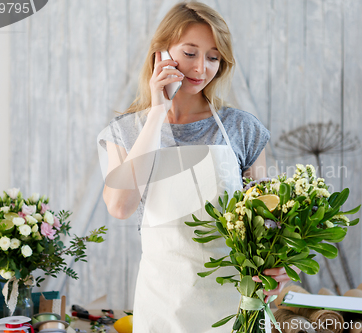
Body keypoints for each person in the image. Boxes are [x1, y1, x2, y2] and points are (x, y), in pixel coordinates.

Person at [97, 2, 296, 332]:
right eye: (190, 53)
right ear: (161, 54)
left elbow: (267, 220)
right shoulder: (125, 131)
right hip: (162, 301)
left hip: (235, 301)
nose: (201, 68)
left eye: (214, 57)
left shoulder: (242, 129)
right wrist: (158, 112)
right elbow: (120, 206)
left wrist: (276, 267)